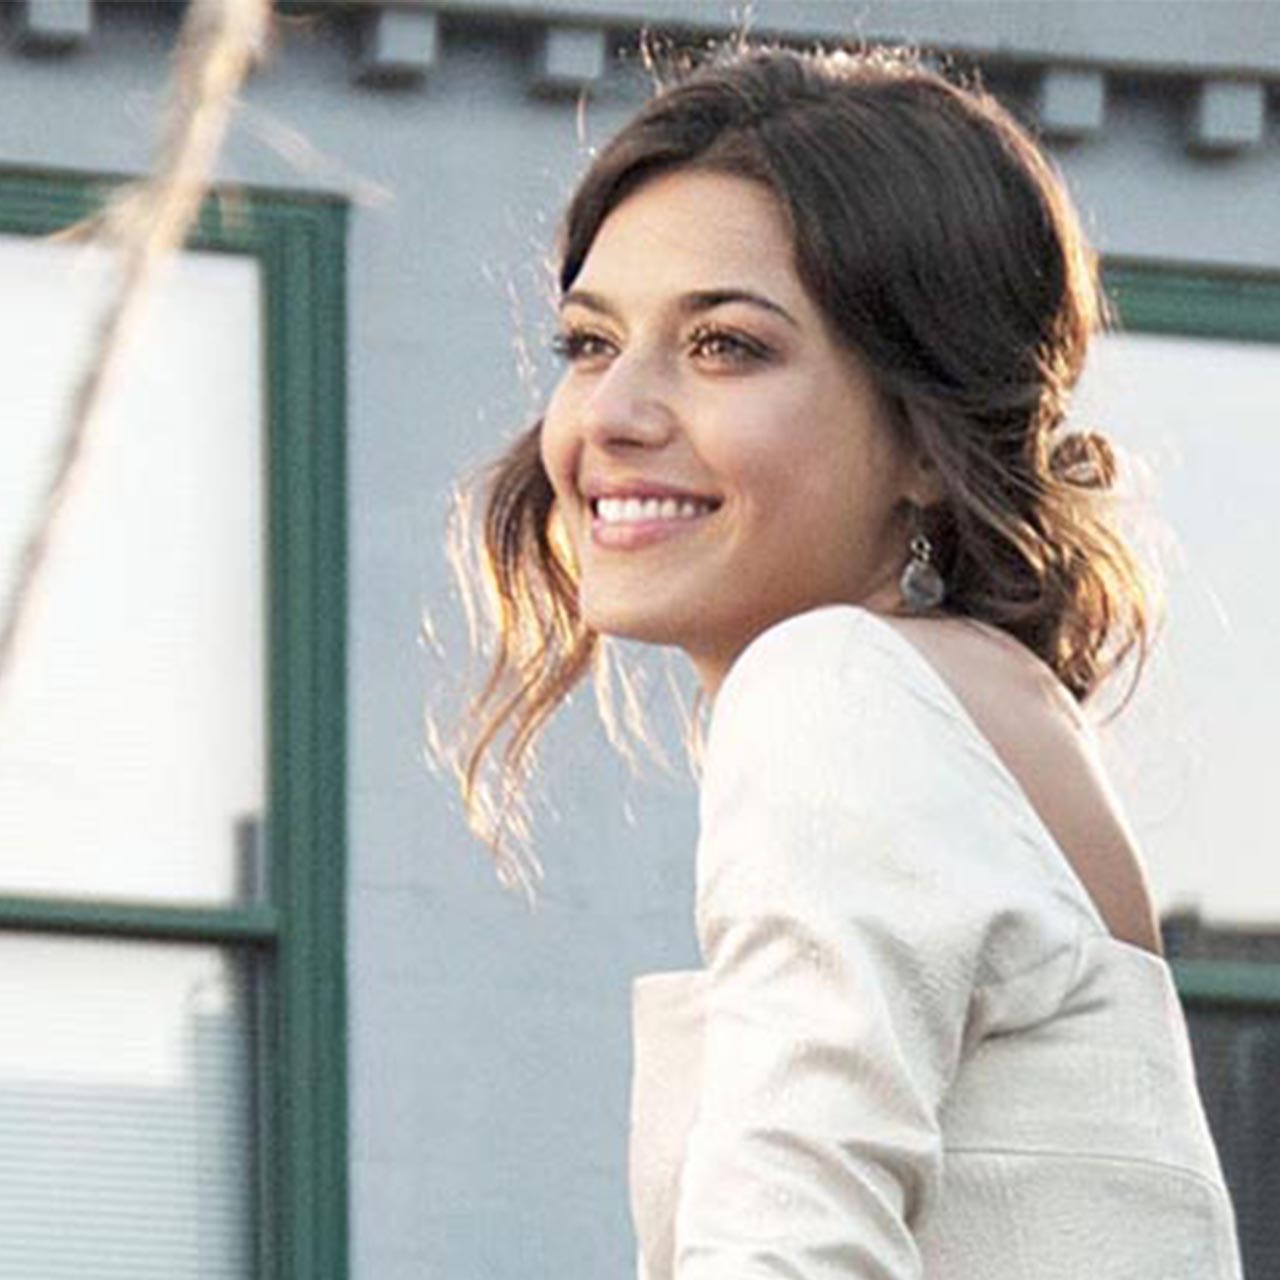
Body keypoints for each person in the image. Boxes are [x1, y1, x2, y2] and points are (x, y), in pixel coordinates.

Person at [443, 41, 1243, 1280]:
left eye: (724, 347)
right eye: (590, 344)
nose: (610, 414)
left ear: (926, 438)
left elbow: (791, 1246)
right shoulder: (989, 718)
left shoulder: (838, 688)